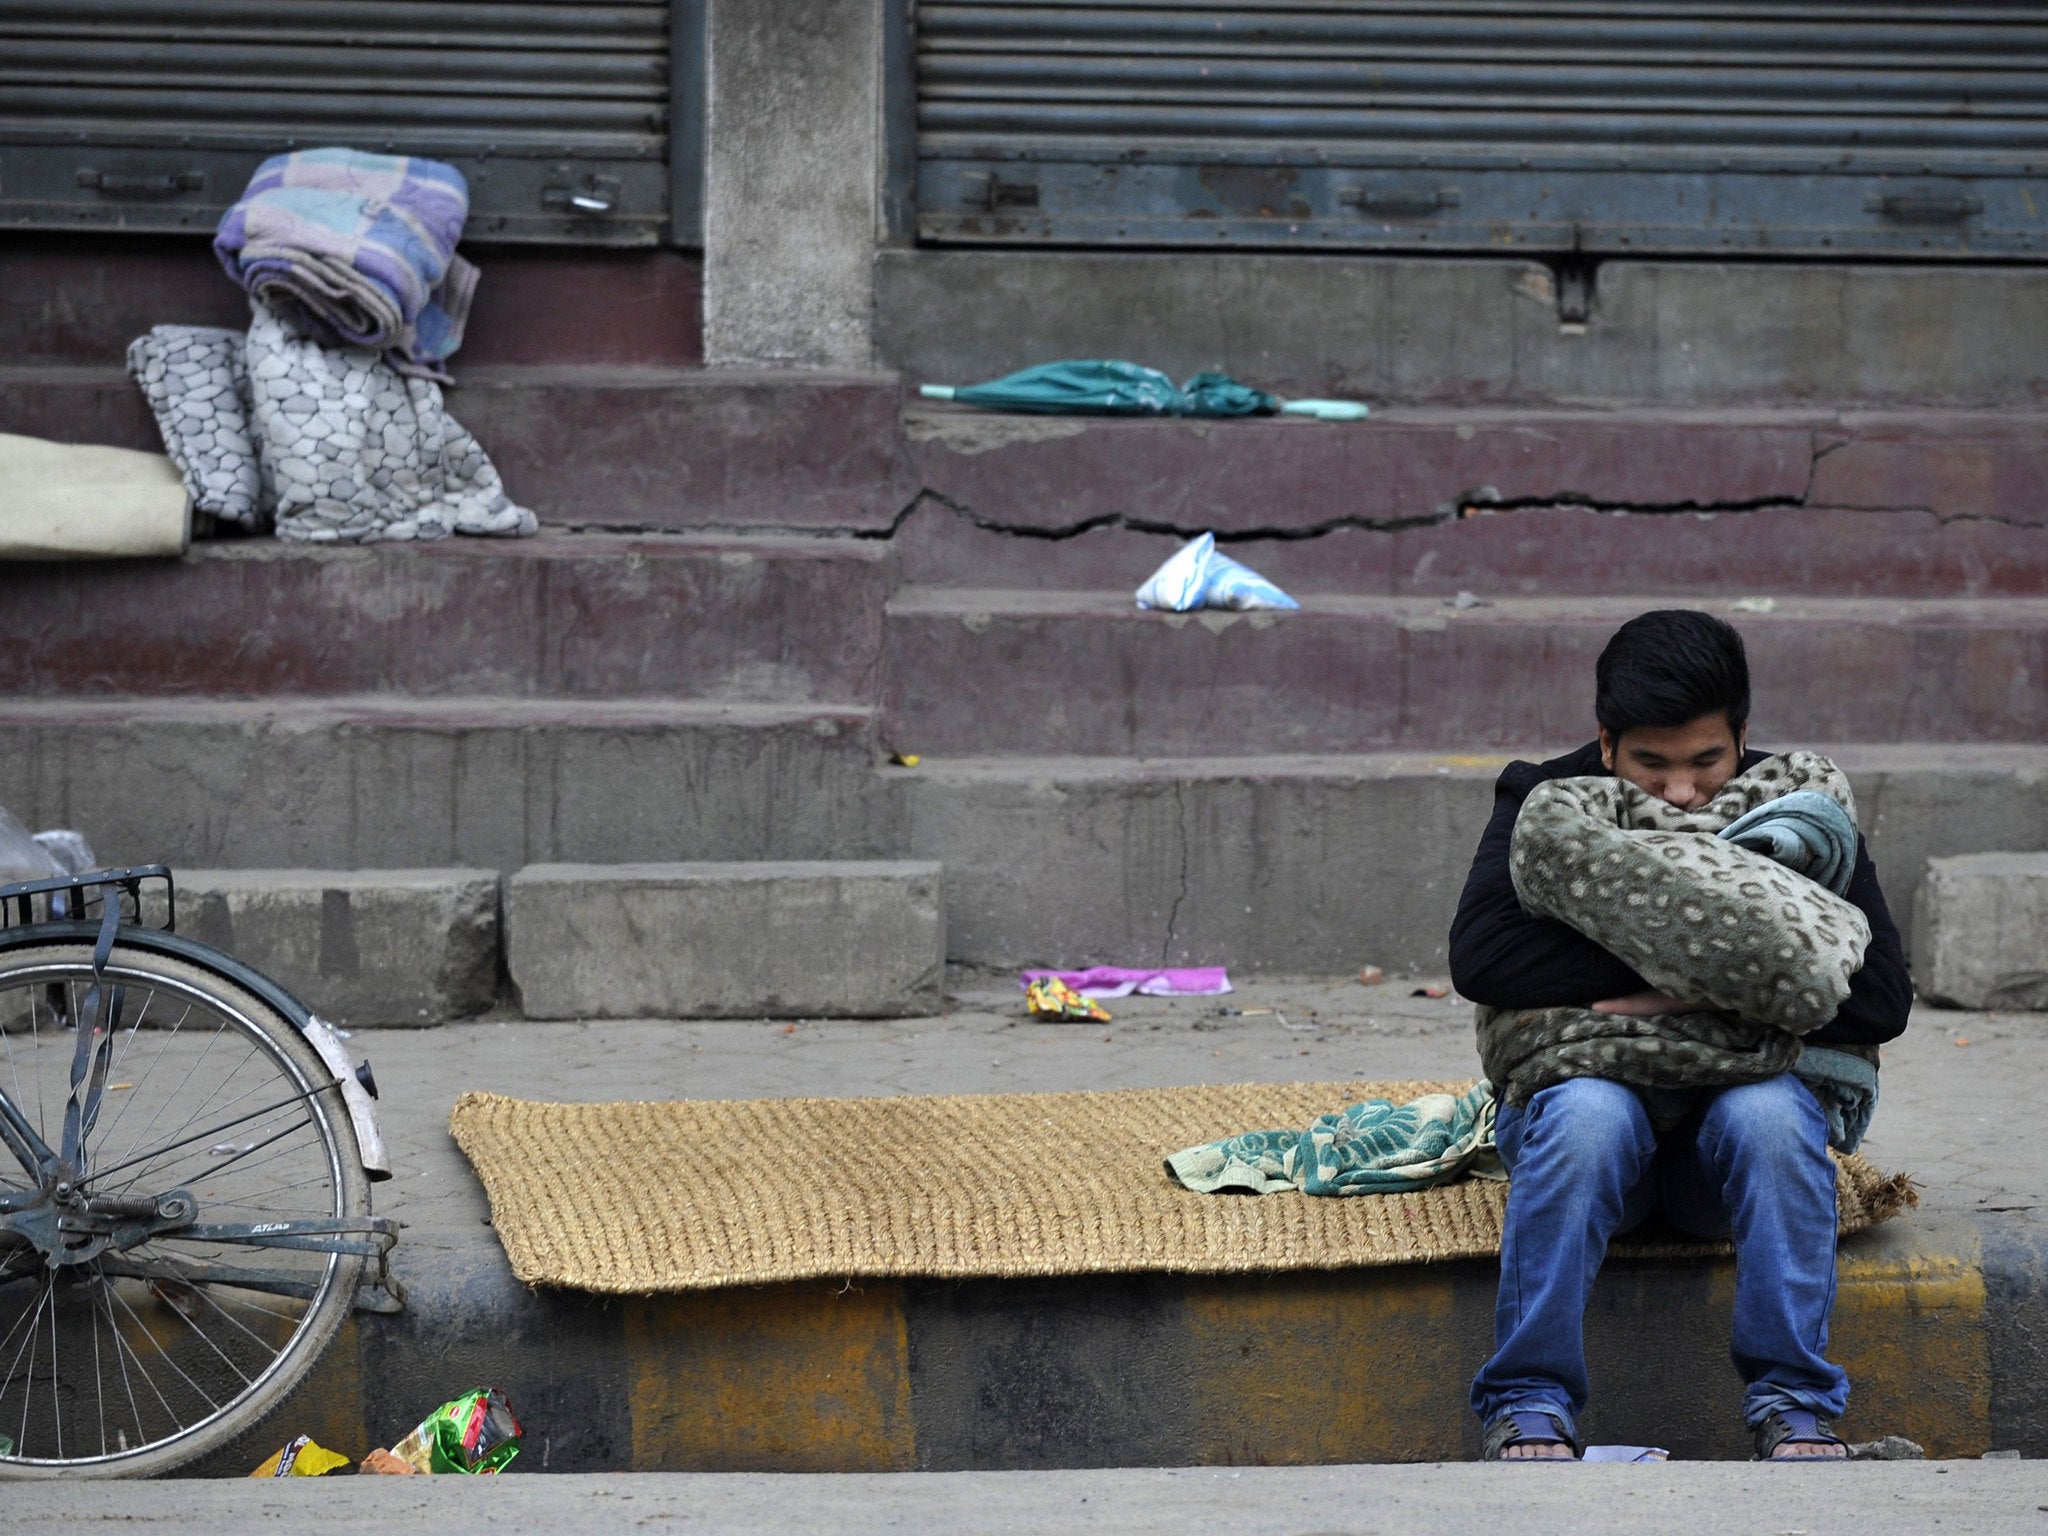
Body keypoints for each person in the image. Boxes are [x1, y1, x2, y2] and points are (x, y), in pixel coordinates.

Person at [1447, 609, 1912, 1461]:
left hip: (1718, 1169)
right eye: (1650, 764)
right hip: (1593, 1138)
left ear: (1742, 736)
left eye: (1707, 761)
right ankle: (1527, 1400)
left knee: (1770, 1117)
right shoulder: (1551, 803)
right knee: (1589, 1113)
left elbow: (1878, 995)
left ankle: (1796, 1402)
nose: (1683, 793)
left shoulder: (1793, 811)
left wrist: (1671, 989)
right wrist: (1741, 964)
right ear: (1605, 742)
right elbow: (1485, 958)